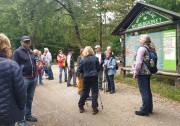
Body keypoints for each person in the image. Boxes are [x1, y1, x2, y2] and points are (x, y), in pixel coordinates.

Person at [0, 33, 26, 126]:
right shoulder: (11, 65)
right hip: (6, 116)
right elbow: (21, 94)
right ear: (6, 47)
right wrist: (21, 109)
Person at [13, 35, 38, 124]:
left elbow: (34, 63)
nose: (27, 43)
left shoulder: (31, 52)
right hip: (24, 79)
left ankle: (28, 115)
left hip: (33, 78)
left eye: (28, 41)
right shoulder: (17, 52)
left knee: (30, 98)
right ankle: (21, 120)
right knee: (22, 99)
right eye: (25, 41)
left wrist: (36, 74)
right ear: (21, 42)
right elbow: (14, 66)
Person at [133, 35, 154, 116]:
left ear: (144, 40)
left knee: (144, 92)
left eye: (141, 38)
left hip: (142, 73)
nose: (139, 39)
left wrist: (135, 73)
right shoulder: (149, 48)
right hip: (148, 72)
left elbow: (138, 63)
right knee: (148, 91)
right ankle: (149, 108)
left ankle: (144, 110)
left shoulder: (141, 49)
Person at [77, 46, 100, 115]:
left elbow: (79, 70)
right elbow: (98, 69)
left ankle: (80, 106)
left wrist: (80, 76)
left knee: (85, 92)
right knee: (94, 93)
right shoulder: (95, 58)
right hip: (94, 77)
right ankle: (94, 108)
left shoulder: (82, 60)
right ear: (92, 51)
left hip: (86, 77)